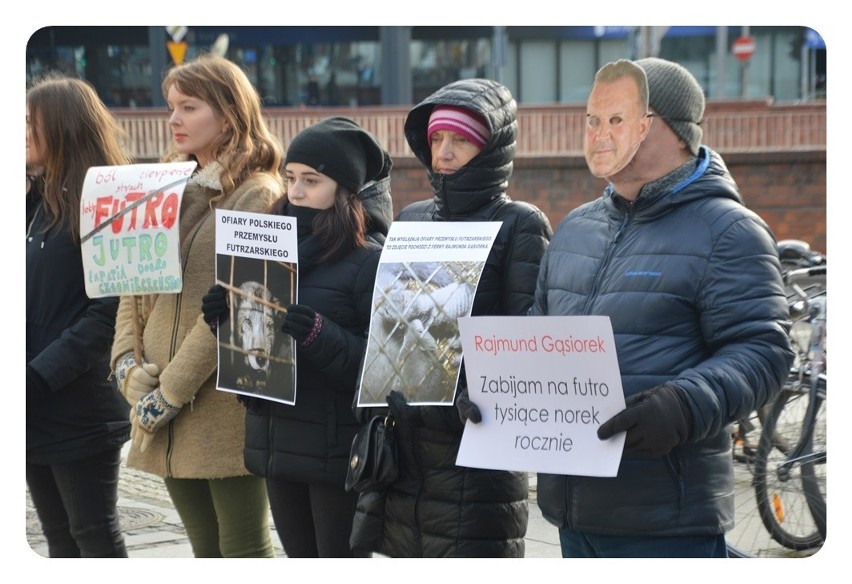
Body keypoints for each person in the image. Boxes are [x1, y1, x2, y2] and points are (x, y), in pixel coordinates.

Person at [530, 58, 795, 557]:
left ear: (673, 131)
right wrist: (495, 396)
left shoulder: (729, 231)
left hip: (665, 523)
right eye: (593, 120)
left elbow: (764, 351)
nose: (599, 134)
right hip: (570, 515)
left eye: (618, 119)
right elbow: (538, 335)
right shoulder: (574, 229)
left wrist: (684, 404)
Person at [352, 78, 553, 558]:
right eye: (437, 138)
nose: (443, 151)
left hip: (473, 463)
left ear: (490, 148)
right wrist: (375, 383)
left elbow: (527, 342)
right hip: (403, 459)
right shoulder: (413, 219)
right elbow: (390, 321)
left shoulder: (521, 225)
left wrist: (466, 393)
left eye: (459, 139)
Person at [110, 54, 284, 558]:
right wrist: (126, 367)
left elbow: (243, 304)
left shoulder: (260, 195)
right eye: (171, 106)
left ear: (228, 115)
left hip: (223, 407)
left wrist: (170, 390)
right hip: (158, 404)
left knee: (245, 551)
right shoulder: (160, 188)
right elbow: (131, 282)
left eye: (189, 106)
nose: (173, 120)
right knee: (204, 553)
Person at [202, 117, 393, 557]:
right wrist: (224, 323)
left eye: (312, 180)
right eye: (290, 177)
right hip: (274, 439)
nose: (296, 191)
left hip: (334, 451)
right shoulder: (258, 247)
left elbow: (380, 368)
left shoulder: (367, 260)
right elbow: (254, 352)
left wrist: (319, 335)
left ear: (344, 189)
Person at [26, 74, 132, 557]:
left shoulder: (109, 205)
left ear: (64, 128)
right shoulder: (33, 202)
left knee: (92, 535)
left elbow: (108, 313)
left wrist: (38, 376)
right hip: (30, 404)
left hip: (78, 405)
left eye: (30, 123)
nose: (20, 131)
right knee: (57, 540)